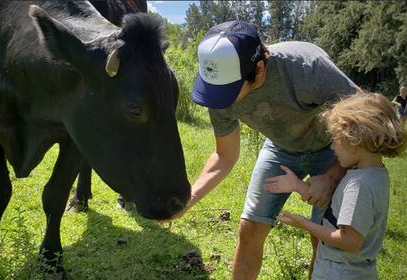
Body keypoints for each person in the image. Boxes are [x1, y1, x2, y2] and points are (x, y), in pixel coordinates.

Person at [165, 21, 359, 279]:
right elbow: (225, 155)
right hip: (280, 149)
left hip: (332, 149)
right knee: (249, 229)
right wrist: (185, 201)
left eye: (229, 91)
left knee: (322, 238)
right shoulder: (218, 91)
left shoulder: (307, 69)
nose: (221, 101)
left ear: (259, 69)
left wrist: (333, 175)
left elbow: (365, 120)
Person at [266, 92, 407, 279]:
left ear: (355, 139)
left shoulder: (359, 185)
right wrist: (298, 185)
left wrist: (305, 224)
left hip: (339, 272)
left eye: (336, 140)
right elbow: (341, 212)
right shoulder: (374, 174)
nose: (332, 147)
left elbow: (349, 241)